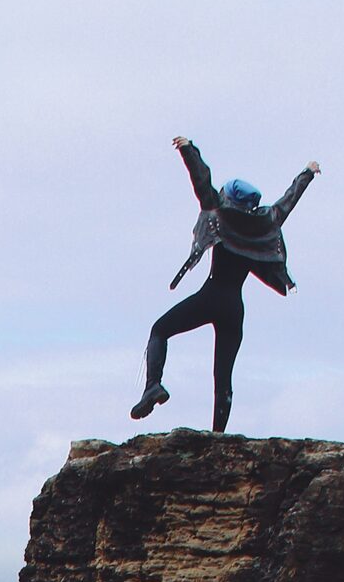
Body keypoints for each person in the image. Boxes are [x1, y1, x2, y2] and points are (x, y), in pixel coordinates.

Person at [131, 137, 320, 431]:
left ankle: (153, 386)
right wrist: (306, 173)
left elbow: (201, 182)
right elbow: (288, 202)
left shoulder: (220, 212)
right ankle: (217, 437)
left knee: (160, 329)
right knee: (223, 377)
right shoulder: (265, 222)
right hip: (234, 308)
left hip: (211, 296)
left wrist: (188, 149)